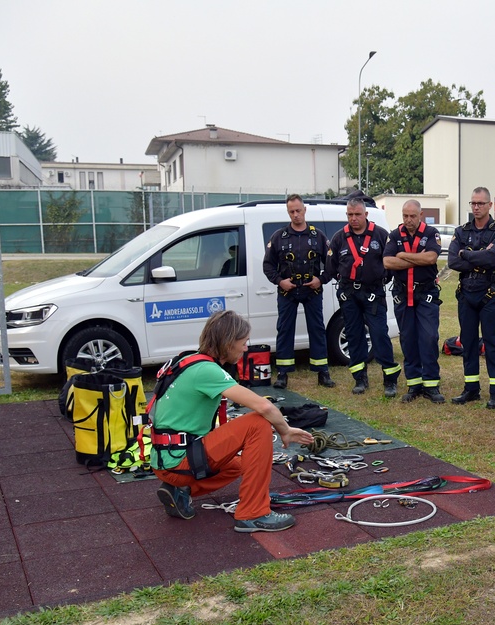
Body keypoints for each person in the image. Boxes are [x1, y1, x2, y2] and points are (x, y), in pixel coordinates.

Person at [152, 310, 314, 533]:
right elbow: (264, 406)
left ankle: (181, 490)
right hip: (179, 462)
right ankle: (254, 513)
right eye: (244, 342)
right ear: (228, 342)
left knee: (240, 465)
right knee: (258, 423)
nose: (246, 348)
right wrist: (285, 430)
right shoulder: (207, 370)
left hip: (166, 460)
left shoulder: (188, 359)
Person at [325, 198, 402, 396]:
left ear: (366, 214)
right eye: (350, 215)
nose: (354, 218)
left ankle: (390, 380)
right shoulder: (339, 238)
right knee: (354, 335)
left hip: (373, 293)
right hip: (349, 294)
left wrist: (381, 280)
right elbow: (332, 267)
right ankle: (360, 379)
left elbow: (391, 262)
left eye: (357, 214)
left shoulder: (380, 235)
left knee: (379, 335)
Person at [447, 186, 495, 409]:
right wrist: (477, 257)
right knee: (468, 342)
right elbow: (453, 261)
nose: (476, 207)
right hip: (466, 293)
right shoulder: (462, 230)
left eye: (481, 203)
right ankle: (471, 389)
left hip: (489, 294)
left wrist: (467, 254)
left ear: (489, 205)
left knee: (493, 342)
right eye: (473, 203)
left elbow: (494, 258)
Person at [262, 194, 335, 390]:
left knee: (317, 330)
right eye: (291, 212)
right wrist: (279, 281)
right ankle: (283, 375)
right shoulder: (279, 237)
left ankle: (323, 373)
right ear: (288, 213)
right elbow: (268, 265)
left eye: (298, 210)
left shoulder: (317, 236)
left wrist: (321, 280)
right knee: (285, 330)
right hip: (288, 292)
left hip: (312, 291)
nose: (295, 215)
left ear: (305, 210)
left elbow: (331, 264)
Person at [382, 199, 445, 404]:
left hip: (426, 294)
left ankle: (431, 384)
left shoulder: (430, 233)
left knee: (428, 337)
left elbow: (430, 259)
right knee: (408, 339)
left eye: (412, 216)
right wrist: (415, 257)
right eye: (405, 216)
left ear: (421, 214)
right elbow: (387, 261)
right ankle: (414, 383)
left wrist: (403, 255)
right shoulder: (394, 235)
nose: (408, 220)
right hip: (403, 294)